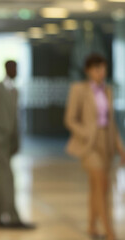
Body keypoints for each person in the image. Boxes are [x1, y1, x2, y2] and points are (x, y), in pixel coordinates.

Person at [65, 53, 125, 240]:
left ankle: (92, 225)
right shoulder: (79, 89)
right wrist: (86, 133)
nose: (101, 72)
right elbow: (70, 119)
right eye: (97, 69)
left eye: (103, 68)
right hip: (89, 145)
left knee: (96, 187)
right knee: (102, 185)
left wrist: (120, 147)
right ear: (88, 71)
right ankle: (110, 231)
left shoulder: (107, 90)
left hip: (106, 143)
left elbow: (111, 122)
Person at [0, 60, 34, 229]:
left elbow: (15, 119)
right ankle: (12, 217)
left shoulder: (15, 91)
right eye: (13, 68)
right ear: (7, 69)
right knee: (7, 177)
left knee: (0, 177)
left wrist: (16, 141)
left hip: (9, 142)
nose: (16, 71)